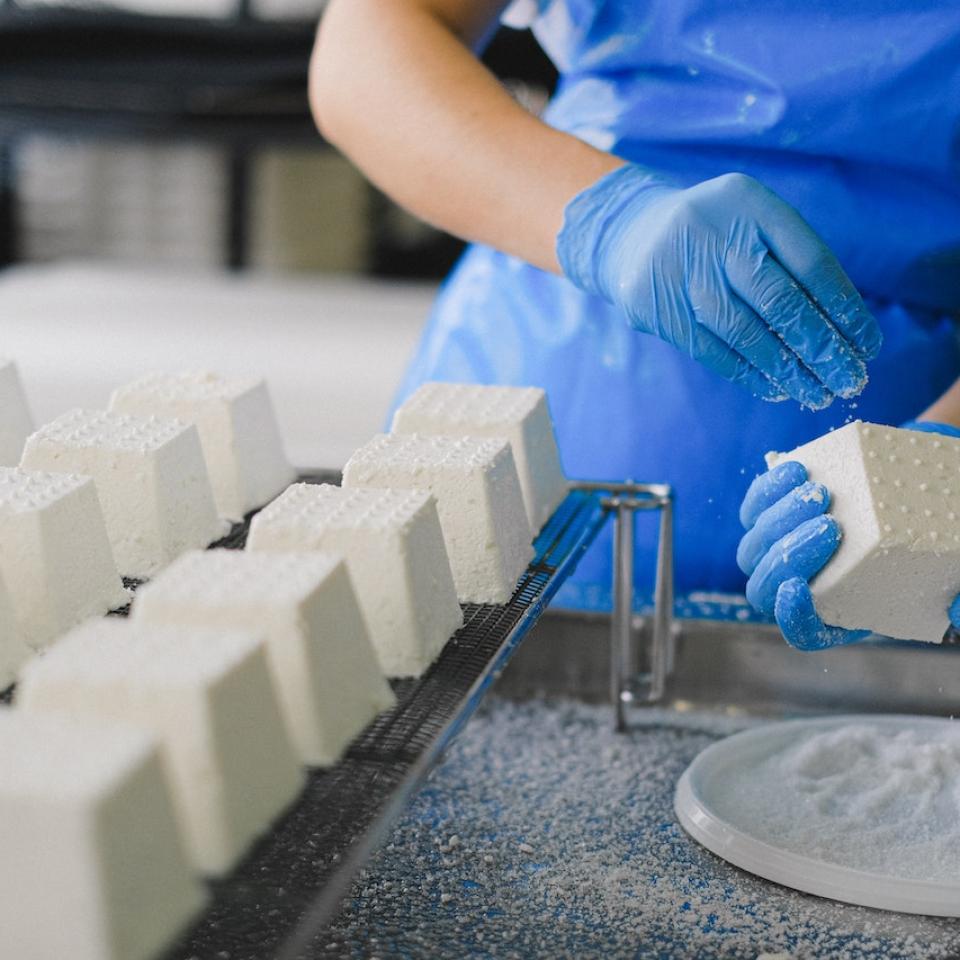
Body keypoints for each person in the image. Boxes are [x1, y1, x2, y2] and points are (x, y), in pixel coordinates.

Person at [309, 1, 960, 620]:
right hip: (553, 363)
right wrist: (608, 221)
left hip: (914, 422)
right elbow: (367, 49)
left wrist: (939, 468)